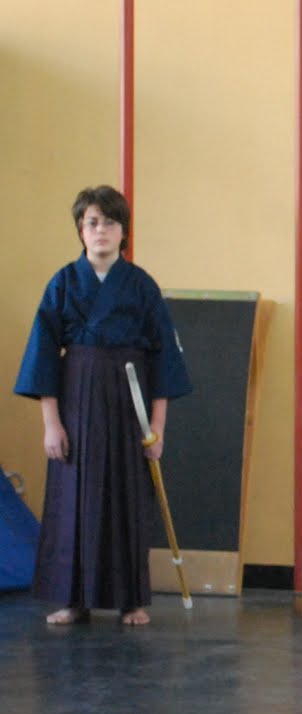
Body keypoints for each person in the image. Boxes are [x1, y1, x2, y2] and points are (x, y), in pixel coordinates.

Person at [14, 185, 191, 627]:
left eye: (110, 223)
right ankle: (73, 600)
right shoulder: (63, 283)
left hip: (129, 398)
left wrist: (158, 427)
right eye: (93, 222)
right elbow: (42, 355)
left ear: (122, 232)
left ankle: (131, 599)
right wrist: (51, 423)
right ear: (81, 230)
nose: (101, 230)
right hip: (76, 398)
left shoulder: (141, 285)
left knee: (128, 495)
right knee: (74, 496)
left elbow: (164, 360)